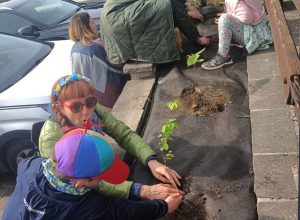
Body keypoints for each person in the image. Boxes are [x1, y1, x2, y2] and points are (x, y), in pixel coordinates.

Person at [39, 73, 184, 200]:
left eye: (90, 102)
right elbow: (86, 182)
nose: (86, 111)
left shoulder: (95, 110)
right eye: (76, 107)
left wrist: (151, 161)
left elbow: (123, 134)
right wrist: (143, 190)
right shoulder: (51, 137)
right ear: (59, 107)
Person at [2, 128, 183, 219]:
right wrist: (164, 207)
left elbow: (22, 167)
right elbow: (125, 211)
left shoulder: (31, 165)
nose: (102, 180)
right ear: (80, 183)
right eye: (99, 178)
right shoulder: (87, 206)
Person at [100, 0, 210, 64]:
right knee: (168, 4)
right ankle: (197, 39)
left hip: (113, 21)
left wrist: (187, 6)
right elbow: (174, 5)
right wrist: (195, 37)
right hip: (119, 20)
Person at [69, 12, 129, 110]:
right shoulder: (97, 45)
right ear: (86, 27)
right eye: (92, 22)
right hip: (111, 94)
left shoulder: (74, 49)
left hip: (92, 99)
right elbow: (118, 64)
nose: (95, 25)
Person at [201, 0, 273, 70]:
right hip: (263, 29)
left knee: (225, 19)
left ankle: (223, 56)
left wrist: (229, 16)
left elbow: (246, 18)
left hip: (255, 36)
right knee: (227, 20)